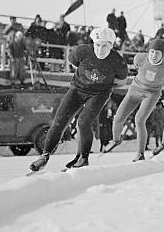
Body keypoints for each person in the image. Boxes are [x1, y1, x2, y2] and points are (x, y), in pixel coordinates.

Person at [29, 27, 128, 172]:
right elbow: (73, 62)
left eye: (105, 46)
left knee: (83, 121)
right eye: (98, 45)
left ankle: (83, 158)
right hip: (77, 89)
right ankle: (44, 156)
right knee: (59, 121)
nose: (100, 49)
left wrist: (104, 86)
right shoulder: (82, 51)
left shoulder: (118, 62)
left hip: (99, 94)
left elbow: (121, 82)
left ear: (112, 46)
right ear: (93, 43)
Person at [106, 39, 164, 162]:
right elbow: (137, 67)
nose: (154, 55)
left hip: (152, 94)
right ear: (148, 51)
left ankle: (140, 153)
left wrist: (157, 83)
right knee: (118, 117)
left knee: (139, 120)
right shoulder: (139, 58)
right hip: (135, 90)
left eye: (157, 53)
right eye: (152, 52)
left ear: (163, 55)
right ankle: (116, 140)